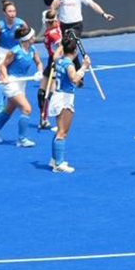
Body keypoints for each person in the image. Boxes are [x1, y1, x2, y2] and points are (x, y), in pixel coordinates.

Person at [0, 25, 43, 147]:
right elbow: (3, 65)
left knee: (9, 109)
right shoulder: (14, 51)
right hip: (11, 82)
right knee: (26, 108)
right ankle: (21, 139)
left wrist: (39, 72)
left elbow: (39, 63)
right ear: (27, 39)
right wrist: (5, 77)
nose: (35, 37)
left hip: (22, 82)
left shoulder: (33, 49)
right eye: (33, 36)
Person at [45, 35, 90, 174]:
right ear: (75, 52)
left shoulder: (59, 60)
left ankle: (55, 159)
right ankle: (58, 164)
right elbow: (75, 79)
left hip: (59, 96)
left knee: (60, 130)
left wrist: (62, 43)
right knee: (62, 132)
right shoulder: (69, 65)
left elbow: (56, 54)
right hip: (64, 98)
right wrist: (84, 67)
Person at [0, 0, 27, 113]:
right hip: (2, 52)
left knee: (11, 79)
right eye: (10, 11)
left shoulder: (21, 24)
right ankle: (1, 106)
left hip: (15, 53)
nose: (13, 14)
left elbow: (26, 39)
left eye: (14, 11)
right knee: (1, 77)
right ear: (4, 13)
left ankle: (1, 98)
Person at [38, 9, 62, 129]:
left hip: (56, 62)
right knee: (42, 92)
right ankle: (43, 118)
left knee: (51, 92)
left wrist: (56, 59)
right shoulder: (55, 28)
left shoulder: (53, 33)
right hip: (50, 60)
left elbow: (61, 46)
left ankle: (58, 119)